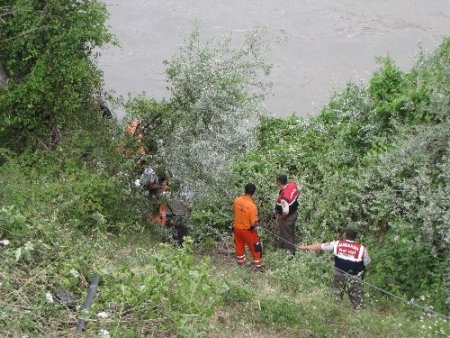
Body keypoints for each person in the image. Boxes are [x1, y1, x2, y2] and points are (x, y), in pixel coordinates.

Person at [299, 227, 371, 310]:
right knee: (356, 299)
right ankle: (358, 312)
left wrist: (305, 247)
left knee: (336, 295)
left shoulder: (337, 244)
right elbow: (367, 263)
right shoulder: (362, 249)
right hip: (354, 277)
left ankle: (335, 310)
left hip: (339, 274)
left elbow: (319, 247)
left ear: (345, 234)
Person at [233, 183, 264, 269]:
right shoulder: (252, 206)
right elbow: (253, 223)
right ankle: (258, 265)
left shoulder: (237, 200)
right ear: (253, 193)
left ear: (245, 190)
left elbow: (234, 211)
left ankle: (241, 262)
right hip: (247, 230)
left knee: (239, 245)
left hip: (236, 228)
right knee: (256, 246)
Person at [275, 174, 300, 255]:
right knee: (290, 232)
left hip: (287, 217)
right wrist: (295, 198)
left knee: (286, 235)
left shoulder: (284, 197)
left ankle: (290, 253)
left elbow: (285, 212)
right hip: (294, 213)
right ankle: (286, 247)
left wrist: (281, 218)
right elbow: (299, 190)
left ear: (279, 182)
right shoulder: (292, 184)